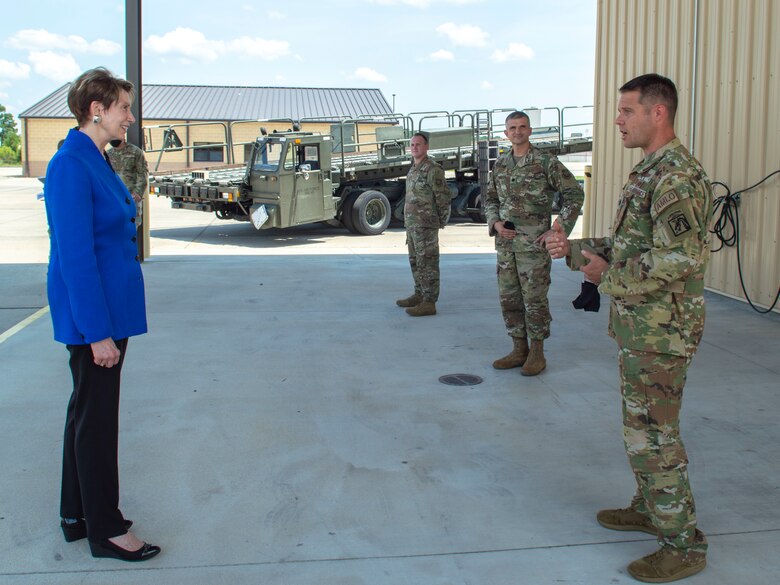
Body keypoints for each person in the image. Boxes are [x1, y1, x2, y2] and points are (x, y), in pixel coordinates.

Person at [545, 73, 713, 582]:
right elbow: (635, 245)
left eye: (626, 111)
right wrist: (574, 250)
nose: (617, 120)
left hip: (664, 331)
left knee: (655, 435)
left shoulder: (676, 177)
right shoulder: (648, 172)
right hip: (643, 327)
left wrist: (607, 276)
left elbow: (681, 256)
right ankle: (650, 506)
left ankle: (683, 544)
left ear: (657, 112)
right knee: (640, 429)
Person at [44, 67, 160, 562]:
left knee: (84, 413)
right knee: (96, 421)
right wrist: (98, 334)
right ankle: (106, 530)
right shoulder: (72, 163)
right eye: (124, 108)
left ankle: (76, 515)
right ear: (97, 109)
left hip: (106, 311)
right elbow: (74, 256)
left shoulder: (94, 157)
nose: (129, 118)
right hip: (97, 319)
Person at [484, 111, 584, 376]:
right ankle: (519, 349)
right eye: (512, 128)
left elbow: (574, 193)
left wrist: (558, 228)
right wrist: (495, 224)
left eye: (522, 127)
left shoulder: (544, 162)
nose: (517, 131)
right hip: (506, 248)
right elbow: (490, 199)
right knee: (509, 298)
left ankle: (537, 353)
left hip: (533, 248)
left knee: (534, 300)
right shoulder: (501, 164)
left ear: (530, 131)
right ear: (505, 133)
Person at [396, 132, 451, 316]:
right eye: (412, 144)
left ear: (426, 147)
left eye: (418, 144)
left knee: (428, 263)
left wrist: (439, 221)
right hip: (412, 226)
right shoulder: (413, 169)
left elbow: (443, 198)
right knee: (416, 262)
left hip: (426, 226)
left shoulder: (432, 169)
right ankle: (419, 294)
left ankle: (429, 301)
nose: (414, 147)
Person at [107, 137, 148, 225]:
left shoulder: (135, 152)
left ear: (123, 137)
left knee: (132, 227)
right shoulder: (108, 154)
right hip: (115, 198)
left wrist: (138, 193)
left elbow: (142, 173)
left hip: (131, 197)